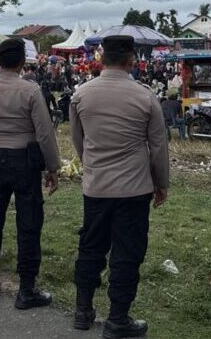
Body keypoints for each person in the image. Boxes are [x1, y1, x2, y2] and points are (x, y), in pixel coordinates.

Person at [69, 35, 170, 338]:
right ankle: (117, 318)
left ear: (101, 59)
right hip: (134, 188)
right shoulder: (145, 96)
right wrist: (161, 183)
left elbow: (79, 141)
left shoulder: (81, 95)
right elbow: (158, 146)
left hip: (96, 187)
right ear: (131, 60)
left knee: (90, 247)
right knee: (127, 253)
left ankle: (82, 310)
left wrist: (92, 166)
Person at [0, 38, 61, 308]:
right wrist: (52, 167)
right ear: (22, 62)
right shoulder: (30, 91)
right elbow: (44, 133)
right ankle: (26, 288)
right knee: (29, 223)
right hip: (25, 161)